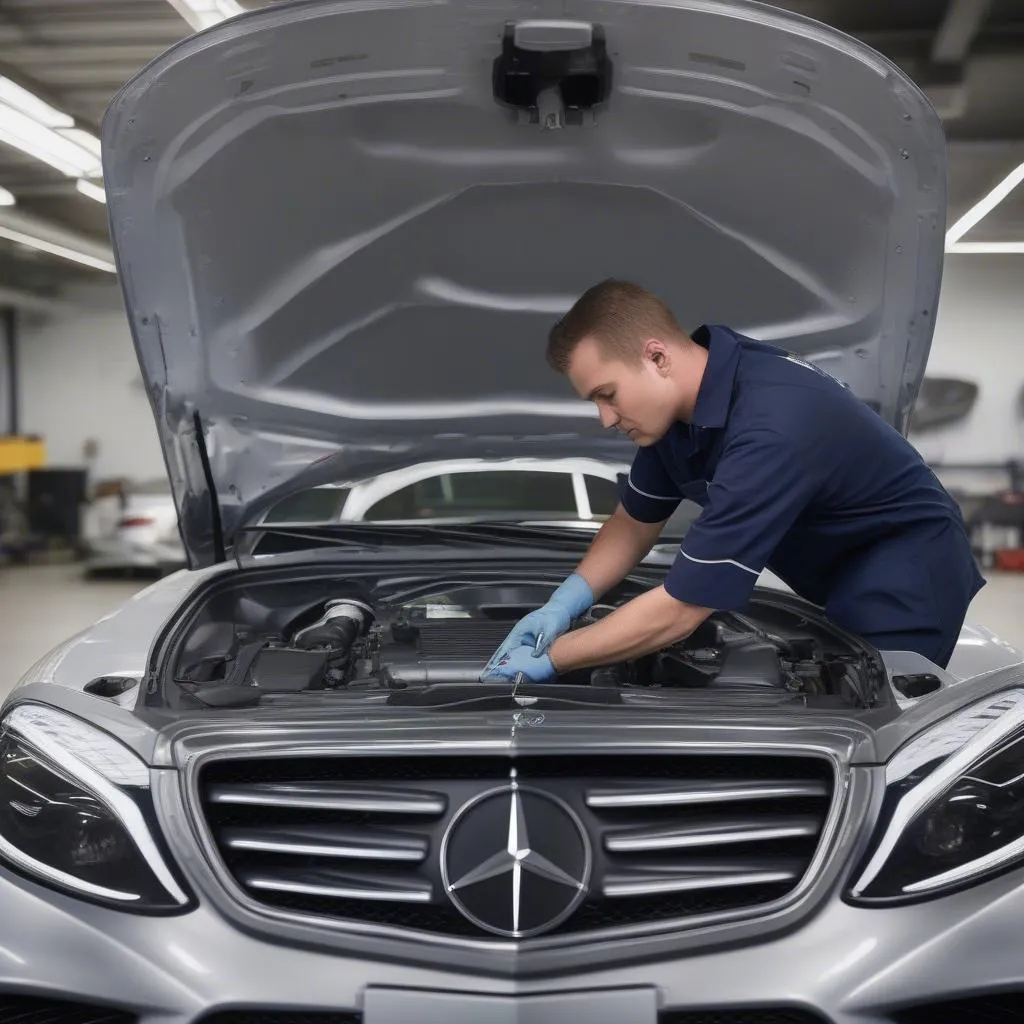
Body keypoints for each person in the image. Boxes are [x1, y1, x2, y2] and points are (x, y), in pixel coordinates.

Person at [481, 279, 984, 683]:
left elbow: (681, 609)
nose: (605, 419)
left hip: (907, 571)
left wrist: (556, 658)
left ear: (657, 357)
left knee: (867, 717)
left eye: (607, 394)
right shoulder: (675, 413)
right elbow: (633, 523)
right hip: (841, 569)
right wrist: (563, 604)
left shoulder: (771, 425)